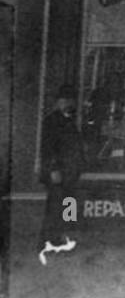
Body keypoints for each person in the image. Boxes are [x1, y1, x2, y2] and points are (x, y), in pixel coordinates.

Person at [38, 85, 85, 266]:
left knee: (69, 205)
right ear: (59, 102)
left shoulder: (69, 121)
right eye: (64, 101)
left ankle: (66, 237)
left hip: (71, 173)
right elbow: (48, 149)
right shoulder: (52, 122)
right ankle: (49, 240)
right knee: (56, 207)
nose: (68, 104)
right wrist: (53, 169)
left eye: (70, 101)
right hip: (59, 173)